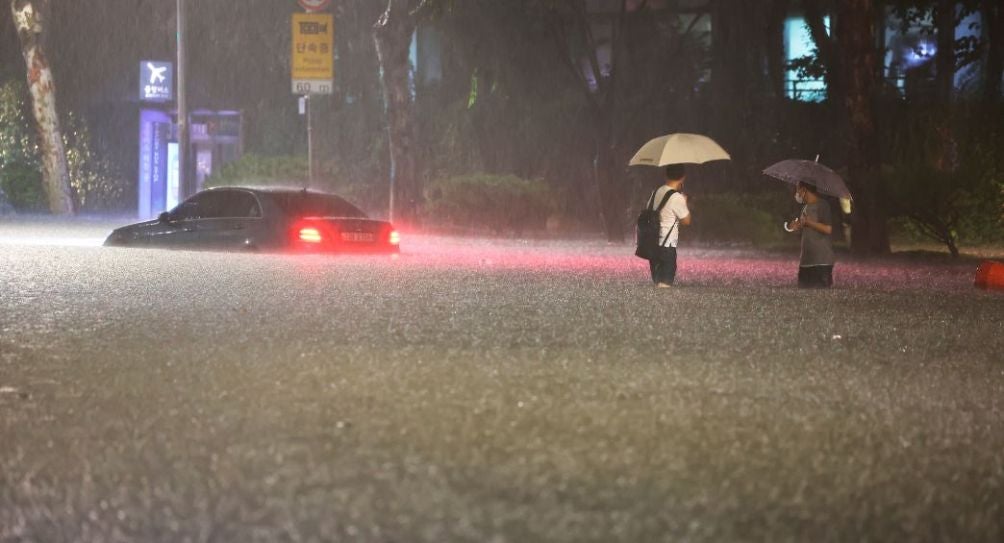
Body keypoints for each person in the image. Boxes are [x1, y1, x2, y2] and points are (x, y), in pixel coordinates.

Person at [649, 164, 691, 288]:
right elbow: (686, 221)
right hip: (667, 246)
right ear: (683, 178)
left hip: (652, 243)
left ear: (665, 175)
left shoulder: (655, 192)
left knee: (657, 282)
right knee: (665, 284)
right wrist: (685, 202)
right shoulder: (677, 198)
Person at [787, 181, 835, 288]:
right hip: (806, 260)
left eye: (797, 189)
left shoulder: (823, 205)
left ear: (804, 190)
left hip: (821, 261)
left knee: (820, 295)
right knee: (803, 293)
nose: (796, 193)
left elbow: (828, 229)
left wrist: (809, 223)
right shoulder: (805, 208)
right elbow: (806, 230)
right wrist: (796, 227)